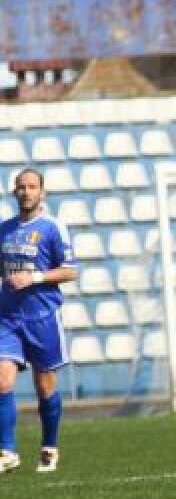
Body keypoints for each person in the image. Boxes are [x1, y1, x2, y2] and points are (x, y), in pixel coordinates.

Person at [0, 169, 77, 474]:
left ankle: (49, 445)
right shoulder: (4, 229)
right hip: (7, 318)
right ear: (14, 192)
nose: (26, 192)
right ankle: (7, 451)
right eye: (21, 187)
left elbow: (70, 271)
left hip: (42, 317)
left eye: (32, 187)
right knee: (2, 379)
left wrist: (33, 277)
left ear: (42, 192)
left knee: (44, 386)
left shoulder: (53, 227)